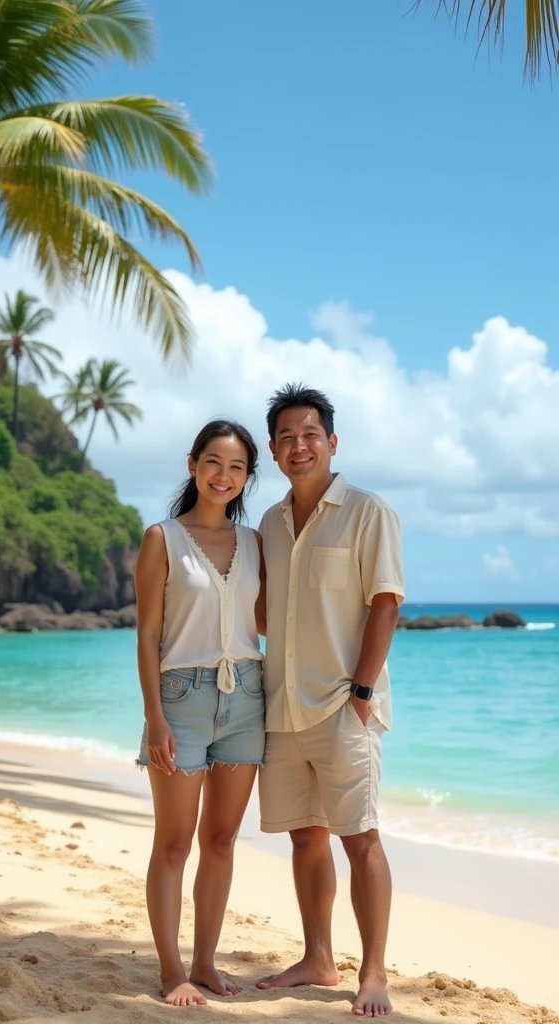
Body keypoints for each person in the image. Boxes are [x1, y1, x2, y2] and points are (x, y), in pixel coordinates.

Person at [257, 383, 404, 1019]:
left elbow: (386, 602)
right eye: (287, 437)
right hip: (282, 707)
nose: (299, 445)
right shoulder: (267, 521)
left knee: (361, 839)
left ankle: (372, 972)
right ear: (272, 449)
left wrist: (363, 694)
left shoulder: (368, 511)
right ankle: (318, 957)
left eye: (310, 434)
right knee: (305, 839)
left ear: (332, 442)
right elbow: (264, 611)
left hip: (345, 705)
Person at [135, 419, 265, 1008]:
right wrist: (154, 716)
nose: (224, 475)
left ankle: (207, 962)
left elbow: (265, 621)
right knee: (173, 844)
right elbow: (147, 634)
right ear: (193, 465)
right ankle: (171, 969)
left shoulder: (256, 542)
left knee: (222, 840)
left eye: (237, 467)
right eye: (214, 462)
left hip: (247, 699)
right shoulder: (162, 537)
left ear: (247, 477)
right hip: (181, 700)